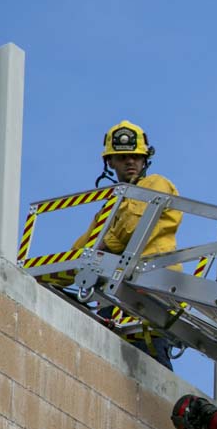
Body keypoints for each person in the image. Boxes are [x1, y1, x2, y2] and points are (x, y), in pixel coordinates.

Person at [72, 120, 183, 369]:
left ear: (145, 159)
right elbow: (82, 248)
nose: (130, 162)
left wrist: (104, 244)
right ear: (110, 162)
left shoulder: (155, 184)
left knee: (150, 366)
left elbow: (133, 227)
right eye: (122, 158)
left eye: (135, 156)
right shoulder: (112, 203)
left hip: (152, 286)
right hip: (122, 292)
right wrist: (64, 266)